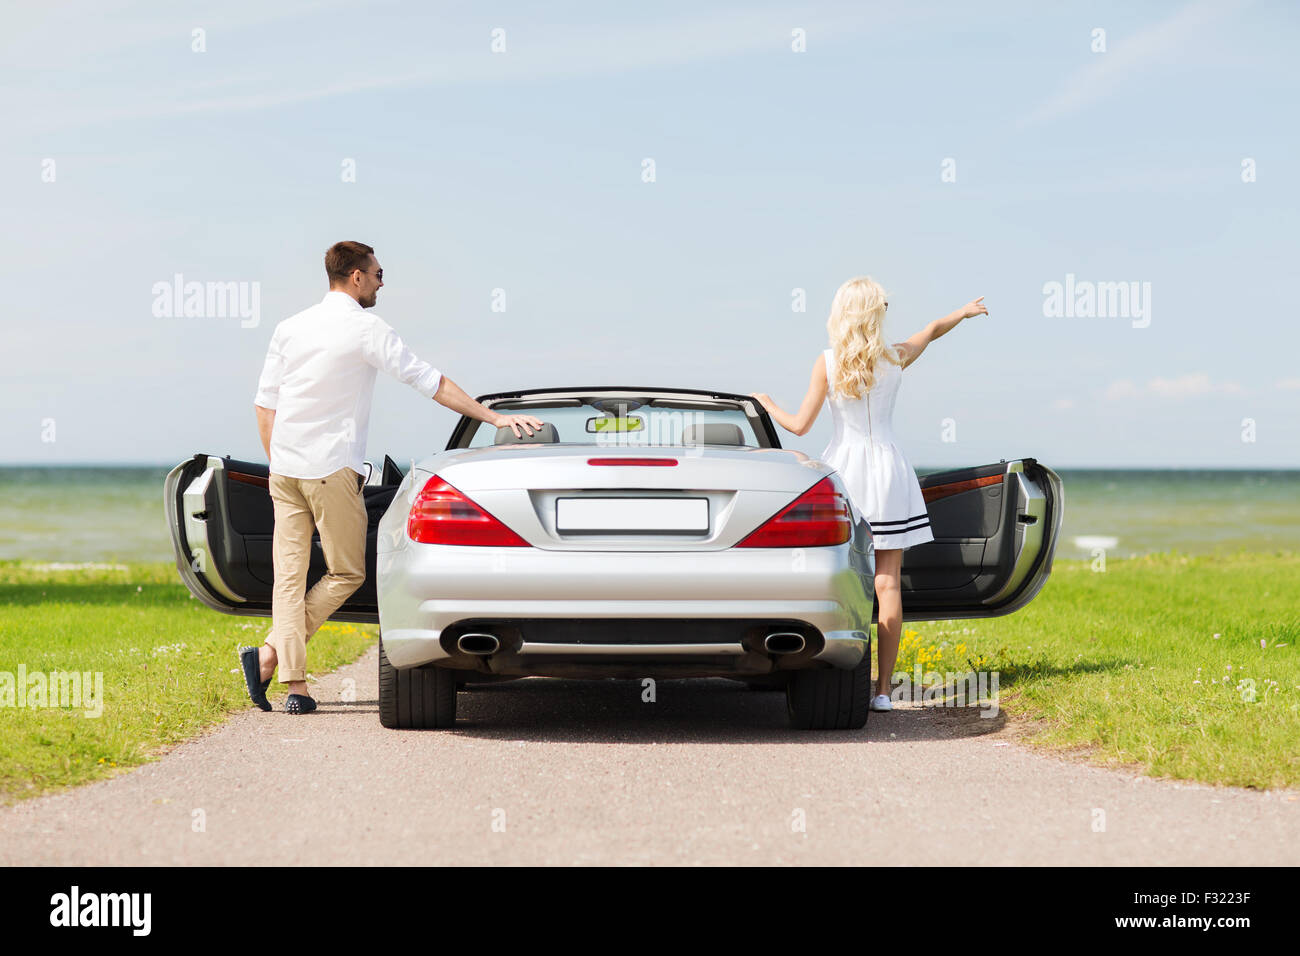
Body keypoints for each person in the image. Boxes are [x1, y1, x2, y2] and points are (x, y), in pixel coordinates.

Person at [242, 240, 544, 714]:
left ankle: (291, 682)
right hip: (329, 470)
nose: (383, 282)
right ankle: (271, 657)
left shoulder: (289, 327)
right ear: (356, 277)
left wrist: (279, 458)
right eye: (379, 274)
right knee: (346, 571)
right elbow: (431, 382)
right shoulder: (365, 328)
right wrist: (491, 418)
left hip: (286, 470)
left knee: (288, 578)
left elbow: (265, 403)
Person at [751, 277, 987, 712]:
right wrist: (963, 312)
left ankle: (835, 671)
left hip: (846, 471)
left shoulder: (828, 362)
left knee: (843, 576)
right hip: (889, 470)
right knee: (887, 582)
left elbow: (800, 425)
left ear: (842, 313)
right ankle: (882, 692)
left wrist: (768, 405)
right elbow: (931, 330)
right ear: (876, 314)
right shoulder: (895, 357)